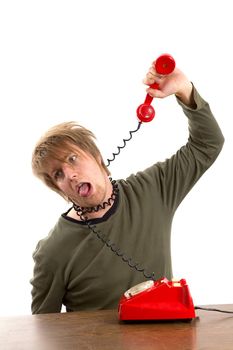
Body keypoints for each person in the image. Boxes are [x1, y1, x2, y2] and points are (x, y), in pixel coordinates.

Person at [30, 63, 224, 314]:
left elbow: (207, 145)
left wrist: (184, 91)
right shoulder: (52, 251)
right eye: (58, 174)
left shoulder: (153, 189)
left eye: (72, 158)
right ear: (58, 188)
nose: (70, 174)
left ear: (95, 155)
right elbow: (43, 331)